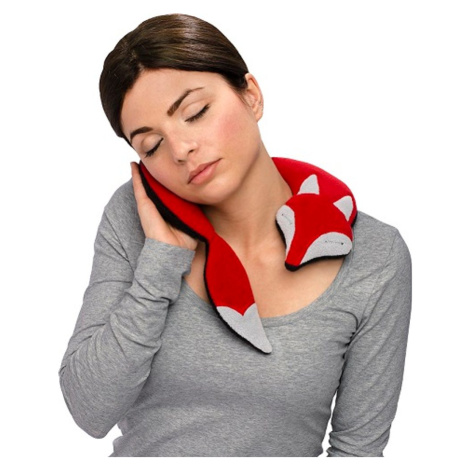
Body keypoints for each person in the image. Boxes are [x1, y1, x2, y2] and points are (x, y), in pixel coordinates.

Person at [59, 13, 412, 457]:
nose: (181, 149)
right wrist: (160, 262)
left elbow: (358, 452)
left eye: (195, 113)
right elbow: (88, 410)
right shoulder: (136, 218)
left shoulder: (376, 256)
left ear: (251, 96)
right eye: (152, 145)